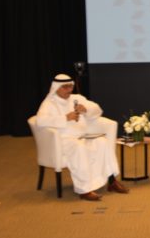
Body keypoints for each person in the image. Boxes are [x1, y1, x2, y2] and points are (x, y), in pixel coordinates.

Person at [35, 73, 128, 201]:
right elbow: (40, 121)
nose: (69, 90)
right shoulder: (49, 103)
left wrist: (86, 110)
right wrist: (65, 118)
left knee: (102, 142)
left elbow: (98, 110)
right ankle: (84, 190)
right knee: (78, 147)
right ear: (56, 88)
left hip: (82, 136)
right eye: (65, 87)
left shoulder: (77, 98)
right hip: (63, 139)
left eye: (70, 86)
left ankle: (111, 181)